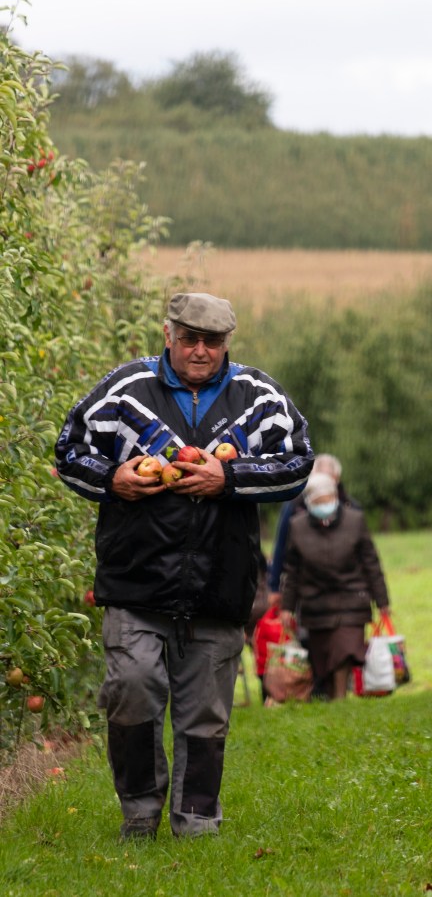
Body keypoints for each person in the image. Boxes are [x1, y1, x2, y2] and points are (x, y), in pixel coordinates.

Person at [54, 291, 314, 841]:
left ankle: (196, 823)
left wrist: (230, 478)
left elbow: (297, 464)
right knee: (131, 691)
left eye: (212, 341)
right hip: (136, 581)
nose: (200, 350)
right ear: (168, 334)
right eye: (190, 338)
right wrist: (113, 480)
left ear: (226, 343)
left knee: (205, 715)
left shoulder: (259, 398)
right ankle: (139, 813)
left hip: (219, 583)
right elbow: (70, 451)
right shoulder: (126, 391)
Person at [279, 472, 390, 700]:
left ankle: (340, 697)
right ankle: (332, 696)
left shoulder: (355, 521)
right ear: (309, 503)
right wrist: (286, 607)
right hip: (315, 602)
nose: (324, 505)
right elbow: (292, 571)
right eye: (319, 502)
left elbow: (371, 563)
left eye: (328, 499)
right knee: (324, 658)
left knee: (345, 649)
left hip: (352, 598)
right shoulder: (297, 527)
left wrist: (382, 601)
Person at [267, 453, 355, 597]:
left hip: (343, 584)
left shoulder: (350, 508)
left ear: (336, 479)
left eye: (327, 480)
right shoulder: (295, 505)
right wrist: (274, 586)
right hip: (305, 585)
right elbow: (281, 545)